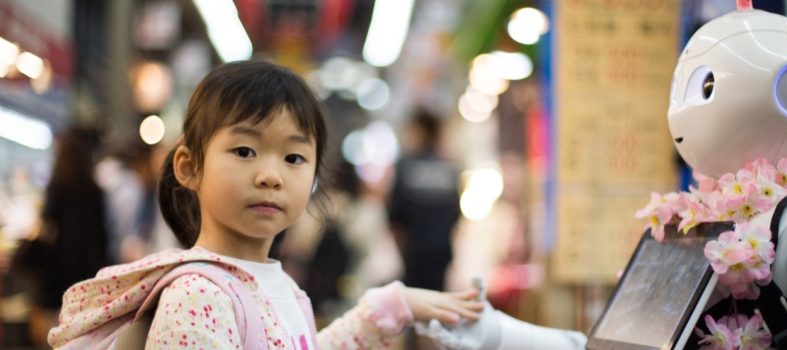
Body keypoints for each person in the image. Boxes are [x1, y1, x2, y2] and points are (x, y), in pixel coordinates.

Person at [47, 60, 483, 349]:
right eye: (244, 151)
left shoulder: (277, 286)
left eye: (293, 157)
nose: (270, 175)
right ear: (187, 166)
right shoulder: (198, 295)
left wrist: (394, 306)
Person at [30, 129, 110, 347]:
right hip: (87, 267)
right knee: (81, 325)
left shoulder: (57, 186)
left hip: (58, 264)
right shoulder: (95, 190)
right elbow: (102, 232)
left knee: (55, 323)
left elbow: (47, 223)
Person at [389, 109, 461, 292]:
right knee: (438, 307)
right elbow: (456, 214)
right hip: (442, 253)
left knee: (415, 309)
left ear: (421, 131)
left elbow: (395, 215)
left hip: (415, 254)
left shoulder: (406, 166)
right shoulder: (449, 168)